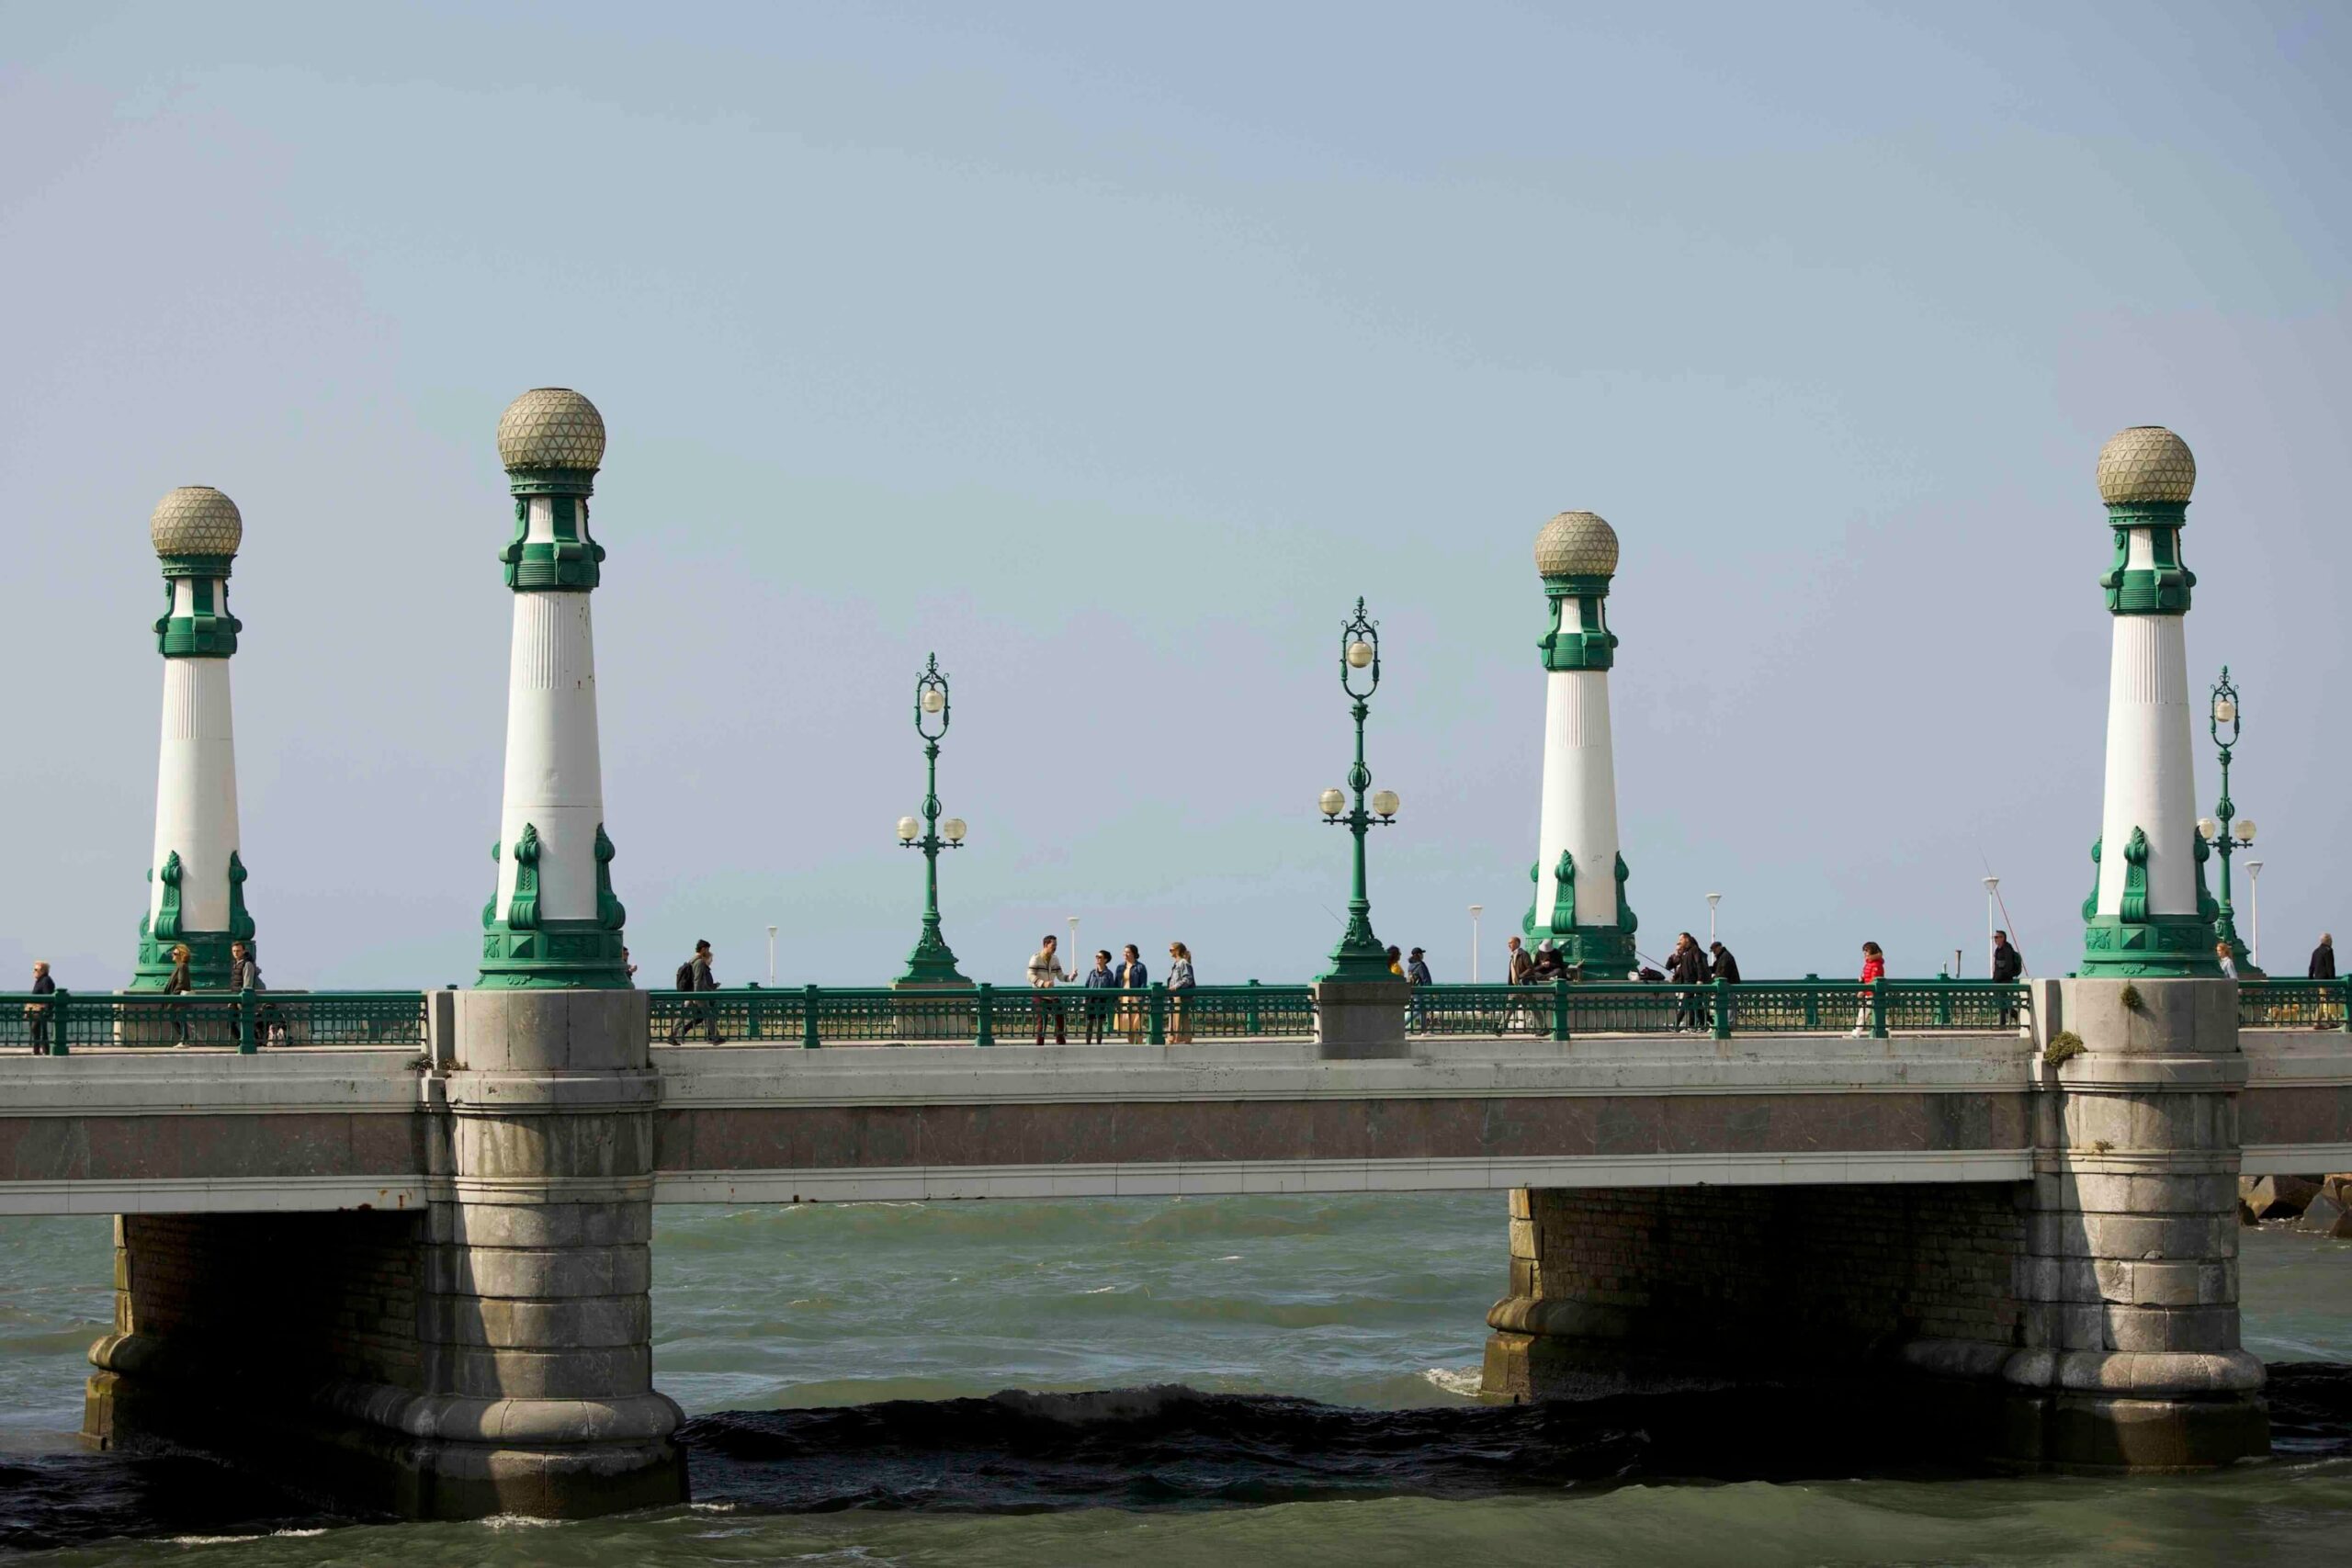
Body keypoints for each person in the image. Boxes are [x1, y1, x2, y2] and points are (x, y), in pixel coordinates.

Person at [668, 941, 724, 1044]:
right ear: (703, 949)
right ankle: (715, 1037)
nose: (708, 952)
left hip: (691, 992)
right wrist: (697, 995)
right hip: (697, 993)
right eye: (707, 949)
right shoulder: (699, 962)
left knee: (683, 1014)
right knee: (708, 1014)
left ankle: (672, 1035)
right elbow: (697, 980)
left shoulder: (692, 961)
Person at [1028, 933, 1077, 1044]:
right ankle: (1040, 1043)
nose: (1055, 948)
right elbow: (1030, 975)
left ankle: (1060, 1041)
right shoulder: (1035, 958)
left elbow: (1061, 976)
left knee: (1060, 1015)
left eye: (1056, 945)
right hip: (1039, 994)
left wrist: (1071, 977)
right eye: (1053, 945)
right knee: (1042, 1020)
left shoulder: (1055, 959)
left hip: (1052, 994)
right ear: (1045, 944)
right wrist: (1043, 983)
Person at [1667, 931, 1710, 1032]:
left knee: (1685, 1003)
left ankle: (1676, 1025)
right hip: (1687, 981)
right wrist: (1675, 976)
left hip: (1692, 981)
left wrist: (1700, 979)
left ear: (1687, 939)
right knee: (1695, 1004)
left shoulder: (1695, 950)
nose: (1679, 942)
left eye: (1681, 940)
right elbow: (1682, 968)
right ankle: (1703, 1024)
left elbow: (1699, 964)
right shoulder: (1686, 952)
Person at [1081, 950, 1119, 1043]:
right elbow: (1086, 986)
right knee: (1089, 1022)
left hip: (1102, 1000)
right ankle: (1088, 1042)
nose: (1097, 959)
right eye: (1096, 957)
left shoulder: (1109, 974)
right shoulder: (1092, 973)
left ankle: (1098, 1043)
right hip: (1091, 999)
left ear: (1105, 960)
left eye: (1100, 957)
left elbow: (1111, 988)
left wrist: (1112, 1002)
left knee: (1099, 1023)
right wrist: (1084, 999)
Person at [1849, 941, 1885, 1035]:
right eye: (1864, 950)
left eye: (1866, 950)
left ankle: (1856, 1033)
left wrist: (1863, 990)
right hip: (1871, 993)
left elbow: (1874, 981)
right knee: (1880, 1016)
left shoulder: (1876, 964)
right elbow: (1869, 978)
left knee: (1864, 1014)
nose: (1864, 952)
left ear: (1872, 951)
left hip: (1873, 994)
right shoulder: (1869, 963)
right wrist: (1862, 979)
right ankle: (1888, 1034)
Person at [1165, 941, 1197, 1043]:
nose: (1169, 952)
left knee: (1180, 1017)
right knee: (1178, 1017)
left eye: (1171, 950)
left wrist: (1176, 987)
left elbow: (1188, 978)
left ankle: (1178, 1039)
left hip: (1181, 996)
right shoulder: (1177, 964)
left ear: (1177, 950)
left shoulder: (1183, 963)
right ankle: (1177, 1038)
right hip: (1176, 996)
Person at [1115, 944, 1148, 1042]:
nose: (1125, 954)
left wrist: (1141, 998)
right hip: (1123, 997)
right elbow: (1116, 982)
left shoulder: (1140, 967)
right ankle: (1131, 1045)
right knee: (1127, 1024)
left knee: (1136, 1024)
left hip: (1135, 997)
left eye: (1128, 952)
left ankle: (1139, 1044)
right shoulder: (1120, 967)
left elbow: (1143, 984)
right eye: (1124, 952)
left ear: (1134, 953)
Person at [1991, 930, 2023, 1025]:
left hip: (2005, 980)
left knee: (2001, 1000)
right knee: (1999, 1000)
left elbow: (2009, 966)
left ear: (2003, 938)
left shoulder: (2007, 949)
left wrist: (2002, 975)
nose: (1995, 939)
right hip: (1998, 980)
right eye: (1994, 937)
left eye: (1997, 937)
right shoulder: (1997, 950)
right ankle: (2014, 1014)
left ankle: (2002, 1023)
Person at [164, 942, 193, 1045]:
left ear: (181, 955)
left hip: (178, 998)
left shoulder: (182, 966)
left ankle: (184, 1039)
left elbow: (182, 983)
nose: (173, 955)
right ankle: (184, 1038)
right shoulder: (179, 966)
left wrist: (173, 996)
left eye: (175, 954)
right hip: (177, 997)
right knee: (178, 1017)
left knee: (178, 1017)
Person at [1707, 941, 1740, 1030]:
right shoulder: (1721, 957)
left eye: (1714, 950)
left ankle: (1729, 1025)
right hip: (1727, 985)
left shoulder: (1725, 957)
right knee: (1728, 1005)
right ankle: (1728, 1024)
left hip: (1729, 985)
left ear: (1719, 948)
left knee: (1730, 1005)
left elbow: (1722, 972)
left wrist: (1714, 979)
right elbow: (1715, 968)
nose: (1713, 953)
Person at [25, 961, 55, 1055]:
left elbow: (47, 996)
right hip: (36, 1010)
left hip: (41, 1011)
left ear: (42, 970)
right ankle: (38, 1051)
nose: (34, 971)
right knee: (37, 1030)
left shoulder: (45, 980)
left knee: (39, 1031)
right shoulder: (39, 980)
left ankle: (43, 1051)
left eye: (36, 969)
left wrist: (46, 1011)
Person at [2312, 934, 2338, 1029]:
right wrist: (2333, 982)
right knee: (2324, 1000)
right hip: (2326, 980)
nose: (2332, 942)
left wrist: (2310, 981)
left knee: (2323, 1000)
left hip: (2317, 980)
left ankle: (2325, 1021)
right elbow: (2330, 967)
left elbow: (2311, 967)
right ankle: (2321, 1022)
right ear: (2327, 941)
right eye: (2331, 940)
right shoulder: (2328, 951)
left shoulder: (2315, 951)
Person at [1406, 946, 1432, 1030]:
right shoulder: (1420, 965)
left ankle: (1424, 1030)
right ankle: (1401, 1025)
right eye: (1421, 953)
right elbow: (1425, 978)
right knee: (1417, 1010)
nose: (1423, 955)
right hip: (1421, 990)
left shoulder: (1410, 965)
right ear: (1418, 955)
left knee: (1422, 1010)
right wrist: (1429, 991)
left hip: (1414, 990)